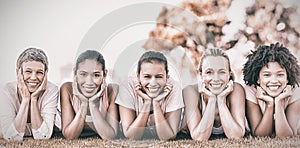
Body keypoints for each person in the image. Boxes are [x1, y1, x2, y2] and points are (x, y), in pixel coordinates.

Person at [115, 51, 184, 140]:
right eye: (147, 76)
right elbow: (131, 135)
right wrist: (147, 103)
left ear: (167, 76)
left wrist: (156, 104)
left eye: (159, 76)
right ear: (138, 76)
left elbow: (168, 136)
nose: (153, 83)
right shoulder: (128, 86)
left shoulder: (173, 87)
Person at [182, 48, 245, 140]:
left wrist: (221, 100)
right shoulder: (190, 92)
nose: (216, 78)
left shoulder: (236, 90)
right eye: (209, 72)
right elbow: (199, 138)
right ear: (201, 75)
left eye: (222, 72)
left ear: (229, 75)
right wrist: (211, 100)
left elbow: (236, 135)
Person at [57, 50, 119, 140]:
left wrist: (93, 104)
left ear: (105, 74)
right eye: (83, 74)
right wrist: (84, 104)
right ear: (75, 73)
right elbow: (70, 136)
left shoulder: (112, 91)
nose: (89, 82)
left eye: (96, 75)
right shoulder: (67, 89)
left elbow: (109, 136)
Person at [0, 48, 59, 141]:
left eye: (39, 72)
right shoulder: (7, 91)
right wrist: (26, 99)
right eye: (28, 71)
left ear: (45, 75)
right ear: (18, 73)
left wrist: (34, 99)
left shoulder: (51, 90)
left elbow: (43, 136)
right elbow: (11, 138)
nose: (33, 77)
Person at [243, 42, 300, 137]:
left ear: (287, 78)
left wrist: (279, 103)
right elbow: (260, 135)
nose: (273, 80)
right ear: (258, 78)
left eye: (280, 74)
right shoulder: (250, 91)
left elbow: (286, 136)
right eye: (267, 75)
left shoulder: (295, 92)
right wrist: (270, 105)